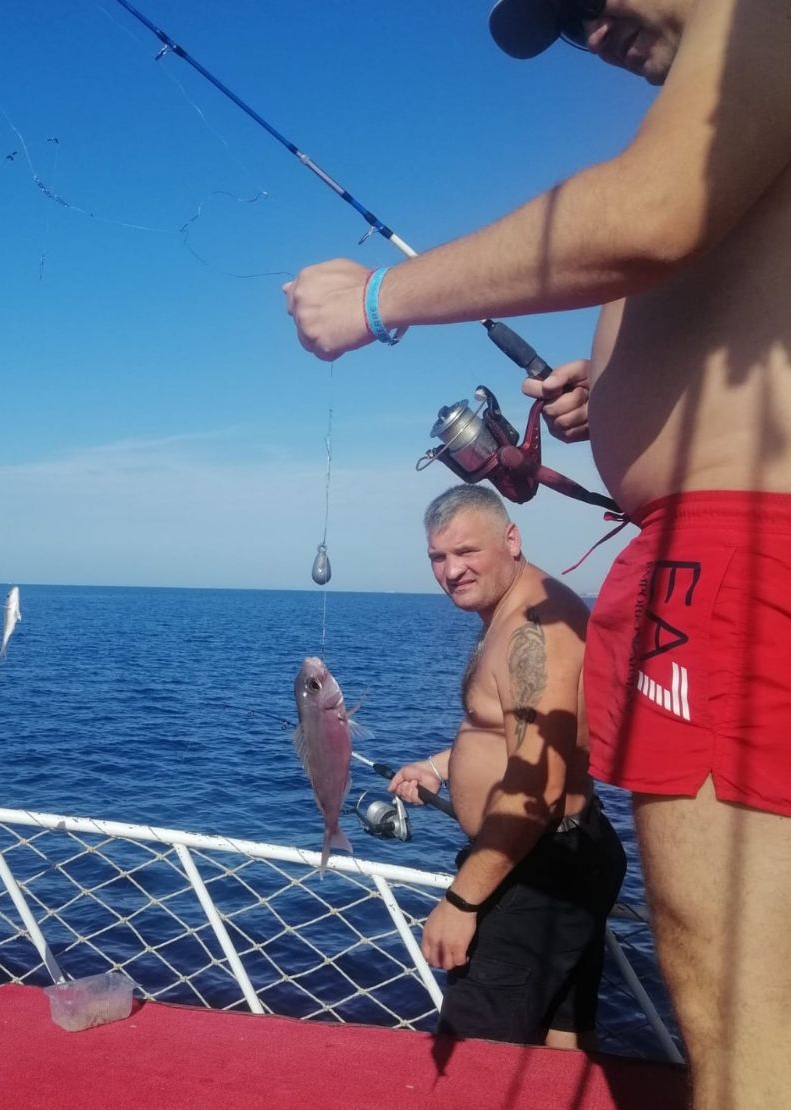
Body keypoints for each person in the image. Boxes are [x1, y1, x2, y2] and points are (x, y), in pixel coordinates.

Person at [284, 1, 791, 1103]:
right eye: (563, 26)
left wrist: (379, 299)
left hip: (733, 552)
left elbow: (648, 212)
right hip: (714, 544)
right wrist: (611, 388)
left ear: (510, 541)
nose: (589, 31)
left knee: (740, 1006)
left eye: (586, 1)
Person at [388, 485, 624, 1050]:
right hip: (563, 855)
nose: (451, 571)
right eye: (438, 557)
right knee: (561, 1049)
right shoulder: (516, 609)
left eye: (466, 551)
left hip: (537, 869)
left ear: (511, 540)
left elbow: (537, 783)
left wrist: (462, 901)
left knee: (475, 1060)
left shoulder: (532, 627)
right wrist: (440, 767)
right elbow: (513, 734)